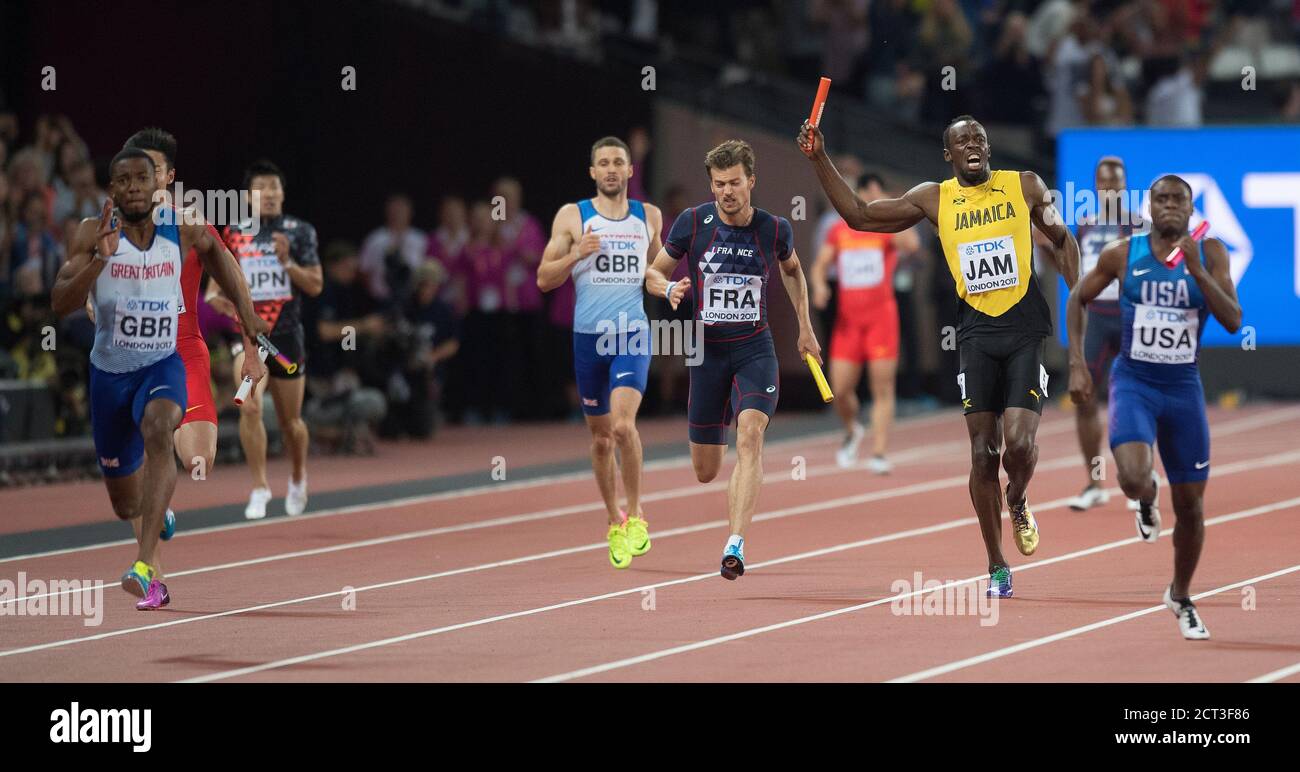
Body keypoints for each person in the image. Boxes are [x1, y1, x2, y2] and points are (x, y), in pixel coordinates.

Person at [799, 114, 1080, 598]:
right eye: (961, 141)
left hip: (1024, 329)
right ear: (948, 155)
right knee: (981, 451)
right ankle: (996, 565)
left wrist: (1078, 311)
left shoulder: (1027, 187)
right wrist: (820, 157)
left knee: (1017, 444)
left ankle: (1017, 497)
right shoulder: (934, 197)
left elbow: (1063, 241)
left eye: (979, 137)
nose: (972, 144)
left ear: (989, 148)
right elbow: (860, 216)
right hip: (974, 335)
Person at [50, 149, 266, 609]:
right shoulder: (92, 232)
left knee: (160, 425)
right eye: (123, 180)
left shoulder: (184, 226)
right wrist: (98, 263)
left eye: (142, 179)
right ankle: (156, 509)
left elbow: (224, 264)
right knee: (127, 505)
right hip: (110, 374)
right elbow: (59, 302)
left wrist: (250, 329)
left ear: (160, 185)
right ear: (111, 189)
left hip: (163, 361)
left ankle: (145, 565)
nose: (133, 187)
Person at [1068, 175, 1241, 640]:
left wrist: (1199, 271)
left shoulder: (1213, 252)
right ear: (1149, 206)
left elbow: (1232, 320)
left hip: (1183, 388)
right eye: (1160, 199)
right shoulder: (1123, 253)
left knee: (1191, 508)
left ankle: (1180, 595)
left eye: (1177, 200)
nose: (1168, 206)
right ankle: (1145, 500)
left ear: (1189, 208)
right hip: (1135, 383)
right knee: (1131, 477)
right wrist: (1079, 364)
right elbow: (1076, 297)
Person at [646, 139, 821, 581]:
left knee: (750, 436)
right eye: (719, 184)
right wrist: (667, 289)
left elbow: (794, 271)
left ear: (751, 182)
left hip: (753, 350)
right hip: (706, 354)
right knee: (706, 470)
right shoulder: (692, 223)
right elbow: (652, 272)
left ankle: (735, 544)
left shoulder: (774, 228)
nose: (727, 191)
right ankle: (722, 454)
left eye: (735, 183)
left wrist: (805, 326)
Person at [538, 136, 662, 569]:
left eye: (618, 162)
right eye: (603, 163)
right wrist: (576, 253)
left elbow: (653, 271)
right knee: (600, 438)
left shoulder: (649, 216)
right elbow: (543, 279)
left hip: (630, 334)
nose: (611, 169)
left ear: (630, 171)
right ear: (592, 172)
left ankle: (638, 515)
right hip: (587, 340)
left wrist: (668, 286)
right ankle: (614, 520)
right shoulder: (573, 216)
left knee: (624, 427)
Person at [122, 127, 262, 513]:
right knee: (147, 447)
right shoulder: (112, 230)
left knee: (199, 461)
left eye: (155, 170)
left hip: (183, 352)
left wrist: (250, 354)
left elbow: (238, 289)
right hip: (133, 357)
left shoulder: (193, 226)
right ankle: (151, 536)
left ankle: (158, 480)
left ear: (168, 177)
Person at [215, 160, 323, 519]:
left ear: (283, 193)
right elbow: (213, 293)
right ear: (248, 196)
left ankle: (297, 477)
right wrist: (240, 313)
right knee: (249, 405)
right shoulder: (232, 234)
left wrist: (287, 262)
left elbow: (316, 285)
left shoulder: (300, 231)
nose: (270, 194)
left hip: (288, 337)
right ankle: (260, 487)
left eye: (276, 187)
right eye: (262, 187)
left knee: (291, 422)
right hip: (248, 338)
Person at [811, 173, 920, 471]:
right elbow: (820, 266)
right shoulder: (839, 230)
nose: (869, 198)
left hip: (881, 319)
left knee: (882, 388)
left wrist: (886, 210)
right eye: (865, 193)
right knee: (840, 389)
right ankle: (852, 429)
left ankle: (879, 452)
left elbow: (911, 244)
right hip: (848, 323)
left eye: (875, 193)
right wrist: (819, 286)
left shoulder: (886, 229)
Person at [1065, 156, 1142, 511]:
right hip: (1096, 318)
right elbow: (1076, 274)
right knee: (1084, 398)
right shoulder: (1086, 225)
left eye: (1116, 183)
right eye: (1104, 183)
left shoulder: (1140, 226)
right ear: (1096, 186)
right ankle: (1094, 482)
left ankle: (1142, 475)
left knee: (1138, 400)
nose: (1110, 188)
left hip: (1129, 316)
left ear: (1125, 186)